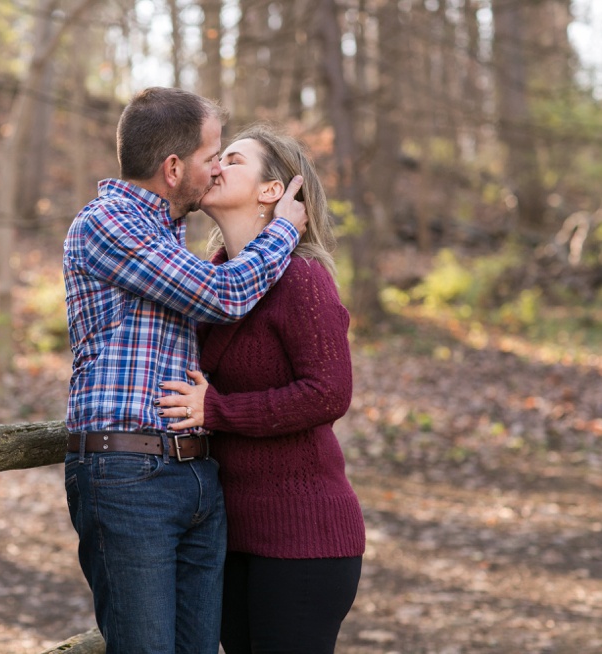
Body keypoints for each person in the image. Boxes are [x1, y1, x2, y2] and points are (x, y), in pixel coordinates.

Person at [62, 88, 308, 654]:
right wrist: (284, 230)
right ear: (173, 168)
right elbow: (223, 296)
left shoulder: (168, 232)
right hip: (128, 476)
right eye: (211, 154)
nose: (218, 165)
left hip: (193, 475)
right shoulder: (109, 222)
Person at [156, 124, 365, 654]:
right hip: (228, 535)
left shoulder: (302, 279)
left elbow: (328, 394)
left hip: (304, 536)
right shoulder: (212, 283)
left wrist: (218, 410)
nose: (216, 166)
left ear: (273, 190)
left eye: (234, 159)